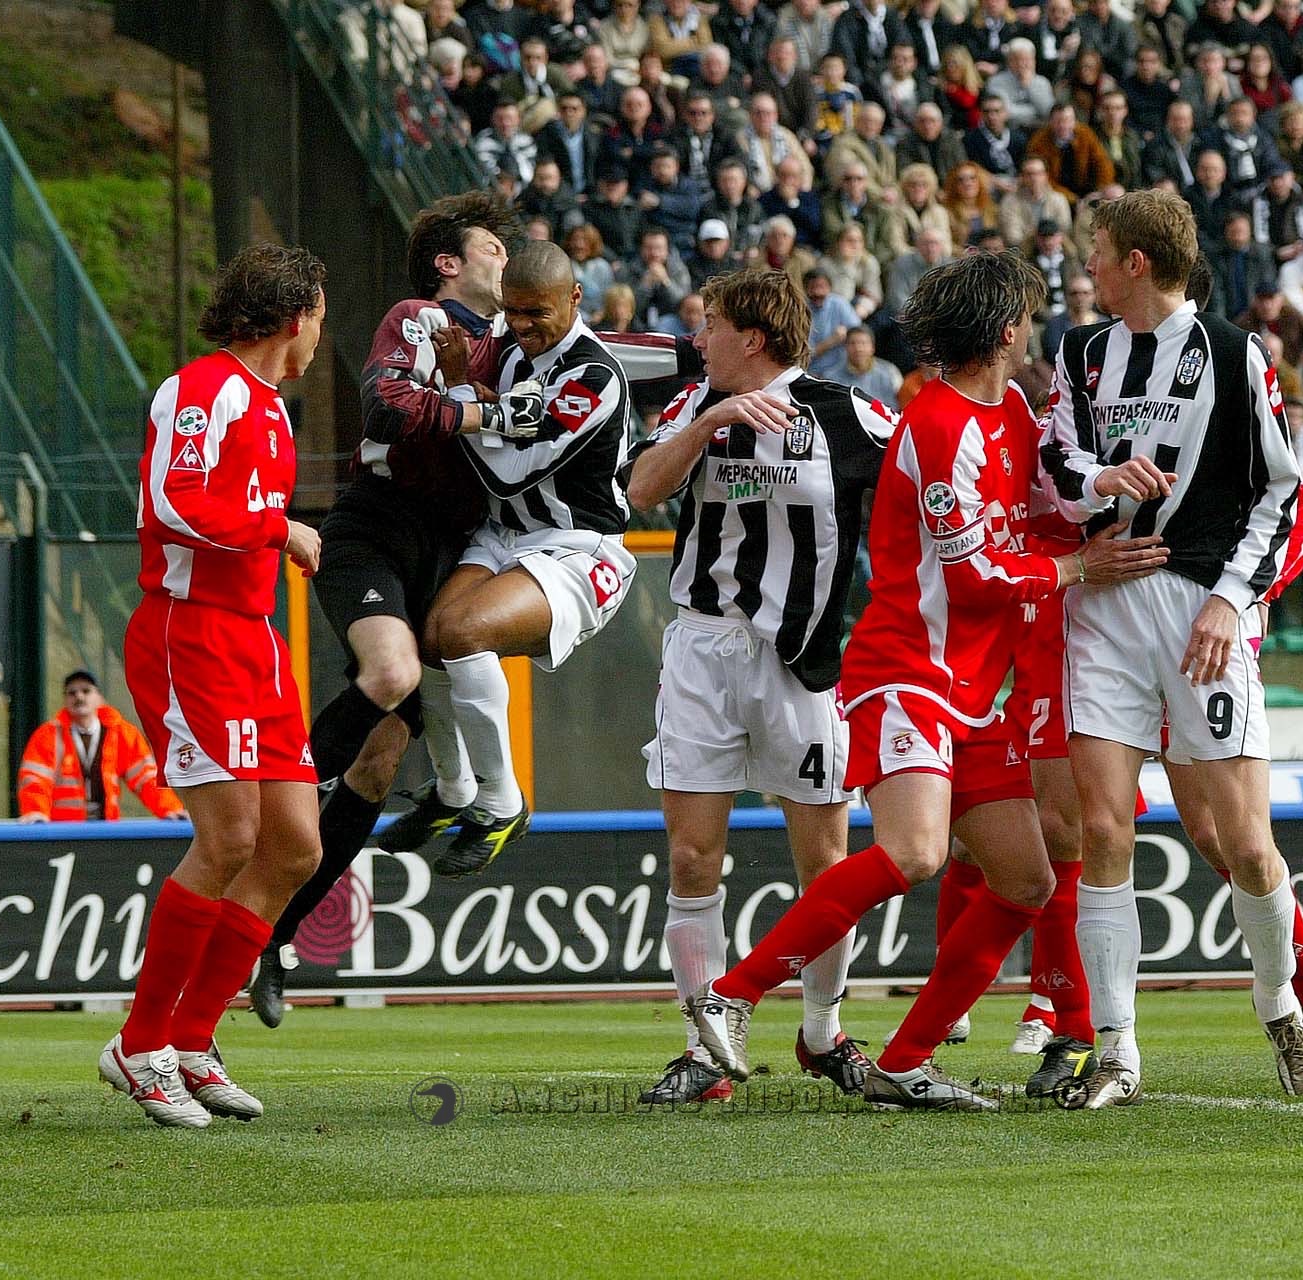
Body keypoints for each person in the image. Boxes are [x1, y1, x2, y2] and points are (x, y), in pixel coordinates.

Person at [687, 252, 1168, 1110]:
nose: (1032, 331)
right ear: (1006, 330)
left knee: (1026, 880)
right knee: (915, 851)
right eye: (1026, 318)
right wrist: (1076, 570)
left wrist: (1105, 483)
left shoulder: (1011, 410)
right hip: (905, 669)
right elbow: (975, 574)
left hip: (973, 692)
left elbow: (1047, 502)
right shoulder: (939, 424)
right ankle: (733, 993)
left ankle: (906, 1060)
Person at [1040, 190, 1303, 1107]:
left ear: (1136, 262)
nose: (1087, 264)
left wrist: (1232, 602)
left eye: (1097, 249)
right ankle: (1117, 1051)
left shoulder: (1236, 353)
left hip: (1200, 610)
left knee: (1245, 845)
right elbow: (1055, 461)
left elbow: (1285, 493)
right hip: (1103, 606)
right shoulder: (1081, 352)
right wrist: (1100, 480)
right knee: (1102, 829)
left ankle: (1281, 1003)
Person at [249, 194, 532, 1026]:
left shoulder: (519, 345)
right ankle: (290, 785)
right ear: (449, 264)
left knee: (378, 764)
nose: (506, 257)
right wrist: (490, 410)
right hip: (375, 529)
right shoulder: (418, 318)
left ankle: (276, 939)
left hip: (454, 551)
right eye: (491, 246)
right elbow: (387, 408)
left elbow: (607, 362)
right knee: (392, 671)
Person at [621, 268, 898, 1104]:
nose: (697, 339)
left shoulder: (847, 414)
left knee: (826, 862)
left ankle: (822, 1032)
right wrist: (712, 420)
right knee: (690, 855)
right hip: (702, 650)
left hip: (801, 662)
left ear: (753, 337)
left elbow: (923, 486)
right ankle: (704, 1049)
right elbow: (641, 488)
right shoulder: (692, 405)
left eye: (711, 324)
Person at [99, 243, 329, 1129]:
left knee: (294, 846)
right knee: (230, 835)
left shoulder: (271, 408)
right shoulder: (205, 389)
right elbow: (174, 502)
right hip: (188, 633)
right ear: (294, 315)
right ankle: (140, 1042)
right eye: (319, 316)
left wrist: (275, 533)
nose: (320, 334)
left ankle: (193, 1039)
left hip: (252, 638)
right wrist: (282, 527)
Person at [400, 240, 639, 878]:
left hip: (577, 549)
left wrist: (460, 396)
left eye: (538, 312)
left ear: (575, 298)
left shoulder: (593, 377)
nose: (523, 326)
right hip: (503, 535)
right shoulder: (511, 351)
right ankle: (455, 790)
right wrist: (477, 398)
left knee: (463, 631)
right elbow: (501, 426)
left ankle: (503, 804)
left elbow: (508, 473)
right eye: (513, 311)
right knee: (429, 639)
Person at [17, 669, 185, 823]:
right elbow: (35, 781)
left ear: (98, 697)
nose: (79, 697)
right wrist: (36, 813)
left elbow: (146, 778)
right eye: (72, 693)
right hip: (63, 830)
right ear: (65, 700)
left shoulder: (121, 733)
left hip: (105, 830)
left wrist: (170, 809)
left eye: (86, 691)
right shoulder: (48, 736)